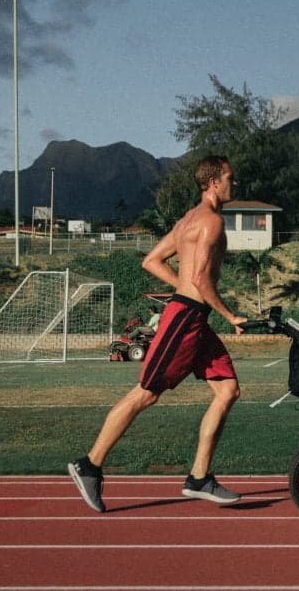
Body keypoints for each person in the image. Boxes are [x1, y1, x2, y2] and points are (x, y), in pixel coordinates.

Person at [68, 155, 247, 513]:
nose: (234, 183)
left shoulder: (188, 220)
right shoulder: (210, 222)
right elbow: (198, 279)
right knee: (146, 394)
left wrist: (187, 288)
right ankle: (90, 465)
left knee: (228, 389)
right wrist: (230, 315)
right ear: (213, 181)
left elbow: (151, 260)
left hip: (195, 318)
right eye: (230, 177)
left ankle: (199, 477)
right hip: (185, 319)